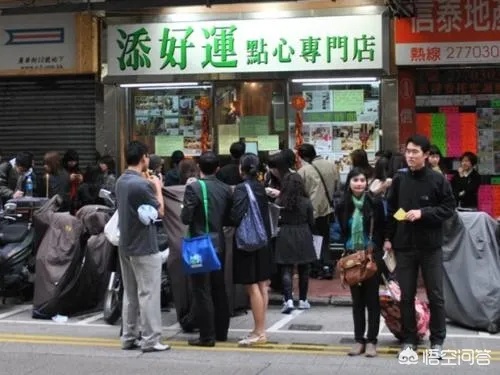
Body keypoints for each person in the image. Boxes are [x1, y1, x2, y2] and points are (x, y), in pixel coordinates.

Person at [385, 134, 456, 358]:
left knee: (435, 294)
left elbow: (448, 208)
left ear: (426, 155)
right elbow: (391, 209)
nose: (410, 156)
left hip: (430, 247)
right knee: (406, 295)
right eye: (408, 151)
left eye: (415, 152)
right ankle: (409, 340)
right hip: (404, 246)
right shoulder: (399, 179)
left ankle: (437, 341)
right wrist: (395, 228)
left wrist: (423, 213)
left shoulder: (438, 180)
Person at [115, 141, 169, 353]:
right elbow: (160, 212)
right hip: (144, 246)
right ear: (144, 158)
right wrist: (158, 188)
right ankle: (151, 339)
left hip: (126, 244)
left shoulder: (121, 181)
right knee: (148, 294)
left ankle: (129, 335)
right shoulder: (142, 185)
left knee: (130, 293)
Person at [181, 151, 232, 347]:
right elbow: (230, 217)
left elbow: (186, 218)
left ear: (199, 168)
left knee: (201, 290)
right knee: (219, 288)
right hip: (219, 243)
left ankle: (207, 336)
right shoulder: (226, 189)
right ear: (217, 168)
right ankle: (221, 332)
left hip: (200, 246)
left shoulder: (194, 188)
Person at [336, 168, 385, 357]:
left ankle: (372, 341)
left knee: (372, 300)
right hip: (351, 258)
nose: (359, 183)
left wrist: (379, 245)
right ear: (349, 182)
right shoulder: (342, 204)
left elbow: (382, 227)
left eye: (362, 180)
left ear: (366, 183)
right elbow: (340, 229)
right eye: (355, 179)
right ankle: (358, 340)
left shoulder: (375, 203)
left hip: (370, 256)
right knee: (357, 302)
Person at [231, 153, 273, 346]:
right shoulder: (261, 187)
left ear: (242, 168)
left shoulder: (242, 188)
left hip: (248, 242)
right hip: (263, 240)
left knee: (253, 287)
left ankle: (259, 332)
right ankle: (259, 329)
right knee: (263, 285)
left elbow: (236, 215)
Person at [274, 172, 316, 314]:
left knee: (286, 268)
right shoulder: (306, 201)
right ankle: (303, 300)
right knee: (304, 269)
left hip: (285, 234)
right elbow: (312, 222)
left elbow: (275, 221)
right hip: (303, 233)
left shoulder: (279, 202)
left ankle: (288, 299)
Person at [297, 143, 339, 280]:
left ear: (304, 157)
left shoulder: (303, 171)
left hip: (311, 211)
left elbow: (300, 193)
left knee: (314, 239)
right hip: (327, 209)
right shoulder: (332, 166)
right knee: (326, 238)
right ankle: (327, 266)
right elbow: (338, 187)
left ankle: (317, 267)